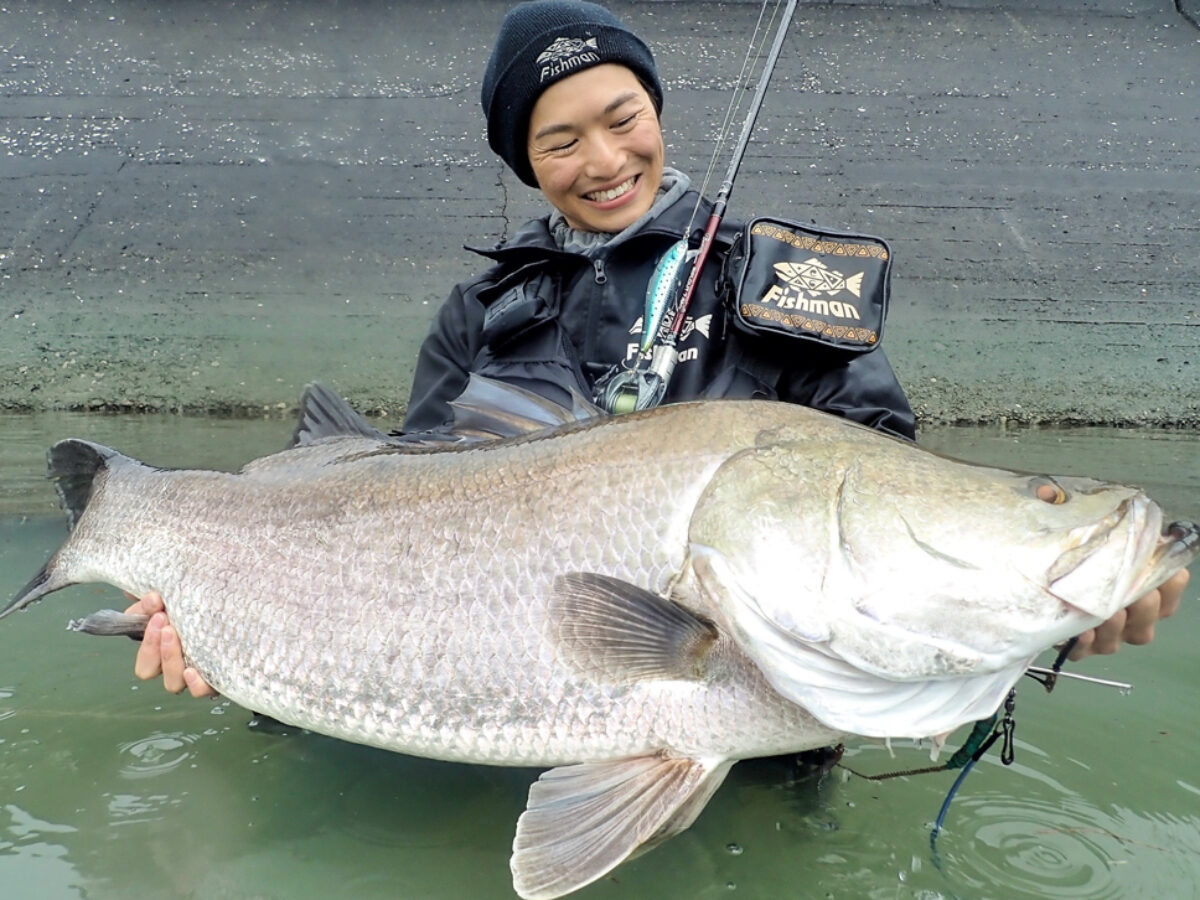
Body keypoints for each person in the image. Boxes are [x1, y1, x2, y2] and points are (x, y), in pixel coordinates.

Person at [125, 0, 1187, 699]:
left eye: (621, 116)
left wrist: (1032, 608)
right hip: (496, 706)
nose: (604, 158)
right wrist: (235, 632)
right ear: (525, 162)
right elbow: (395, 512)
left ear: (656, 108)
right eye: (558, 138)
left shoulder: (787, 280)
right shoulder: (478, 315)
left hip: (770, 704)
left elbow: (879, 467)